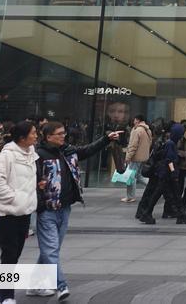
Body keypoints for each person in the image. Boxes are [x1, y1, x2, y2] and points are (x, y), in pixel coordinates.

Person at [29, 121, 120, 299]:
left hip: (65, 208)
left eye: (64, 133)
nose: (63, 136)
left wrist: (106, 139)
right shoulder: (39, 155)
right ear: (48, 137)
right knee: (51, 250)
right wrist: (39, 205)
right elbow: (32, 182)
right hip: (47, 209)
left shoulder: (67, 151)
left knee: (51, 249)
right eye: (59, 134)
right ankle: (61, 285)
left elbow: (87, 150)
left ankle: (34, 284)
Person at [0, 121, 39, 304]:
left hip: (24, 211)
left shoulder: (31, 153)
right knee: (9, 254)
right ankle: (7, 296)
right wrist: (17, 198)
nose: (36, 135)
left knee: (15, 253)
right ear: (22, 137)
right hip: (7, 212)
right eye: (33, 133)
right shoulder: (6, 156)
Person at [136, 123, 186, 225]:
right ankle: (147, 213)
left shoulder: (170, 143)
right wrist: (173, 173)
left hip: (165, 174)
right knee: (162, 194)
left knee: (171, 195)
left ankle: (181, 215)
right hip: (167, 175)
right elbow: (169, 160)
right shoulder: (170, 144)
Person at [121, 115, 151, 203]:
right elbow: (150, 143)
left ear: (137, 120)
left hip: (135, 157)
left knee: (130, 177)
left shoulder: (137, 130)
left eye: (134, 119)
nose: (133, 121)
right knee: (138, 176)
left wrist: (128, 157)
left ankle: (130, 196)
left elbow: (133, 145)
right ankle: (154, 186)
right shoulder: (147, 130)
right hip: (143, 157)